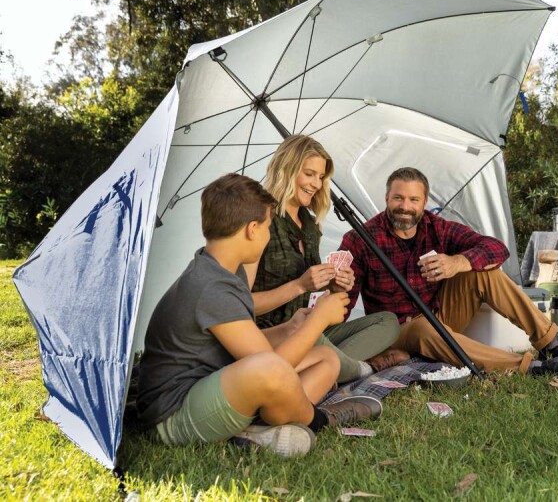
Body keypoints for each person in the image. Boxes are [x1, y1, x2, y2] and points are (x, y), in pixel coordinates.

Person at [137, 173, 382, 458]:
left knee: (326, 358)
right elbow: (270, 366)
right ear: (252, 229)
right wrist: (318, 321)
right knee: (270, 368)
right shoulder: (211, 286)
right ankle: (320, 419)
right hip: (173, 416)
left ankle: (254, 432)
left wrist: (290, 328)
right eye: (268, 226)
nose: (268, 234)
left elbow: (247, 346)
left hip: (213, 385)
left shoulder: (224, 270)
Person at [339, 167, 558, 382]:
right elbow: (342, 303)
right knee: (422, 327)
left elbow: (496, 248)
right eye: (398, 198)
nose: (405, 206)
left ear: (424, 203)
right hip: (396, 330)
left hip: (439, 314)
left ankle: (554, 344)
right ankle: (531, 367)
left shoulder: (437, 228)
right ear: (386, 198)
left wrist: (458, 262)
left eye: (413, 199)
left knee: (483, 271)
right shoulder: (360, 239)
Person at [248, 135, 408, 383]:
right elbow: (241, 304)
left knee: (387, 322)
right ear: (288, 170)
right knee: (317, 340)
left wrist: (333, 286)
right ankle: (355, 368)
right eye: (309, 174)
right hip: (273, 334)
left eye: (321, 177)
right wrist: (299, 285)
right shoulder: (260, 220)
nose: (316, 184)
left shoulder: (311, 225)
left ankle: (323, 367)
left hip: (309, 329)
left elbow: (312, 295)